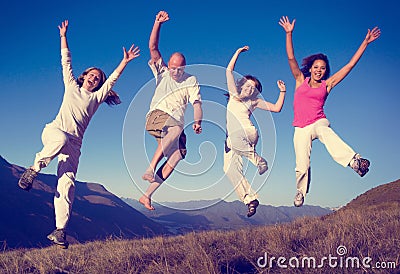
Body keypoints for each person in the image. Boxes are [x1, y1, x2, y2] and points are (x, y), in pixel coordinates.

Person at [17, 20, 140, 248]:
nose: (94, 79)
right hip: (54, 133)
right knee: (60, 139)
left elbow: (112, 79)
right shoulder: (72, 86)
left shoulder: (96, 98)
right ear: (83, 77)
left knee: (67, 184)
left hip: (74, 145)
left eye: (97, 78)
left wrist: (124, 62)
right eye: (91, 75)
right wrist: (63, 36)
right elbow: (66, 62)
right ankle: (33, 170)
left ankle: (60, 231)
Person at [279, 16, 381, 207]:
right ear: (310, 68)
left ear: (325, 72)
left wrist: (365, 43)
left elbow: (349, 65)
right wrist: (289, 34)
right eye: (316, 67)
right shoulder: (300, 80)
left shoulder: (328, 84)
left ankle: (354, 162)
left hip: (318, 122)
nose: (319, 70)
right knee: (302, 165)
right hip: (300, 128)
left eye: (323, 68)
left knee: (326, 132)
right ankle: (300, 192)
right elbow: (291, 58)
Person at [140, 11, 203, 210]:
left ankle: (147, 195)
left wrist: (198, 121)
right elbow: (152, 47)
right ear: (169, 65)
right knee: (175, 129)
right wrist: (157, 23)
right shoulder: (162, 72)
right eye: (173, 68)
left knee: (177, 155)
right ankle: (150, 167)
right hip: (157, 116)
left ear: (184, 67)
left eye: (179, 69)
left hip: (174, 125)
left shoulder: (191, 80)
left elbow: (197, 103)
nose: (175, 72)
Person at [223, 46, 286, 217]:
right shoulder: (233, 94)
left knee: (235, 137)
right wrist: (237, 52)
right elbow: (229, 71)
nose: (251, 89)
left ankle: (259, 160)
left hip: (248, 133)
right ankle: (250, 200)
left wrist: (283, 92)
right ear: (241, 85)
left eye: (254, 88)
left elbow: (277, 108)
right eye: (248, 85)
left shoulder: (255, 102)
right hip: (232, 139)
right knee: (229, 169)